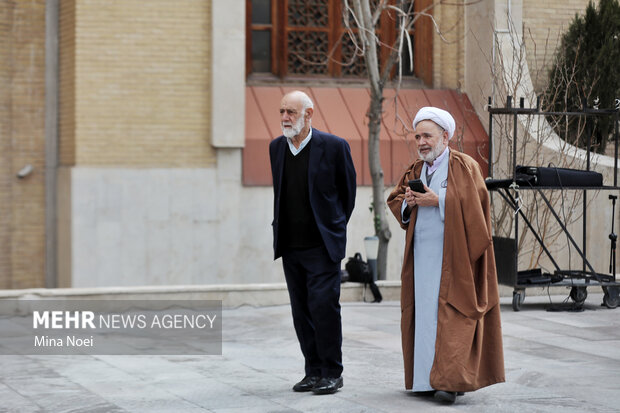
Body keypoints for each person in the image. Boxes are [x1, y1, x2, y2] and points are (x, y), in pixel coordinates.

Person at [387, 107, 505, 404]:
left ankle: (450, 382)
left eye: (427, 135)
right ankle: (426, 379)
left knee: (452, 315)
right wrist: (411, 202)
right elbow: (397, 199)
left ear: (445, 136)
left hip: (454, 260)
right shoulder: (416, 169)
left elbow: (477, 212)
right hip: (421, 260)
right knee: (424, 317)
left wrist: (438, 201)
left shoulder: (465, 167)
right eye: (418, 136)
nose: (422, 142)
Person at [269, 90, 356, 395]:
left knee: (323, 307)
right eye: (282, 111)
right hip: (290, 246)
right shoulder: (276, 148)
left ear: (309, 114)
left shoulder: (334, 147)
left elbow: (347, 196)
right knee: (301, 311)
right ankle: (313, 371)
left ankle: (332, 371)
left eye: (291, 112)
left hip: (322, 247)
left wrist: (332, 230)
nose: (284, 118)